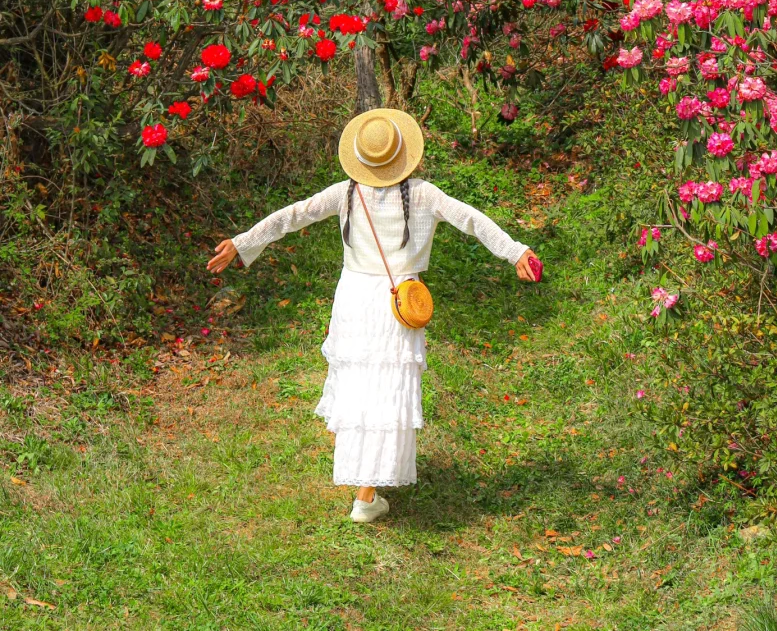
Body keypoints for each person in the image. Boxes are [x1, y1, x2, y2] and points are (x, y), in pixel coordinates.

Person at [206, 106, 540, 524]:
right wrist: (516, 251)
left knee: (361, 390)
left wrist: (242, 242)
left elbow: (293, 214)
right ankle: (366, 495)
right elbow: (471, 219)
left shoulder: (345, 192)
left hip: (355, 299)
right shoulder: (423, 193)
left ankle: (365, 488)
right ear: (404, 155)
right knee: (386, 390)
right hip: (398, 301)